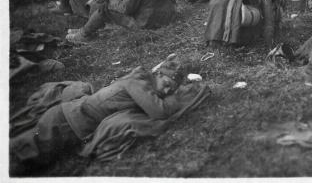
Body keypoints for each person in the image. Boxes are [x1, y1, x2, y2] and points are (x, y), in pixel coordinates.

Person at [10, 54, 191, 175]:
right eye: (166, 84)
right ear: (157, 74)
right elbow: (159, 111)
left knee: (31, 159)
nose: (167, 92)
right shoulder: (138, 82)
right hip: (67, 121)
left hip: (72, 121)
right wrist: (175, 98)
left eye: (171, 90)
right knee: (19, 156)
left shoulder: (144, 81)